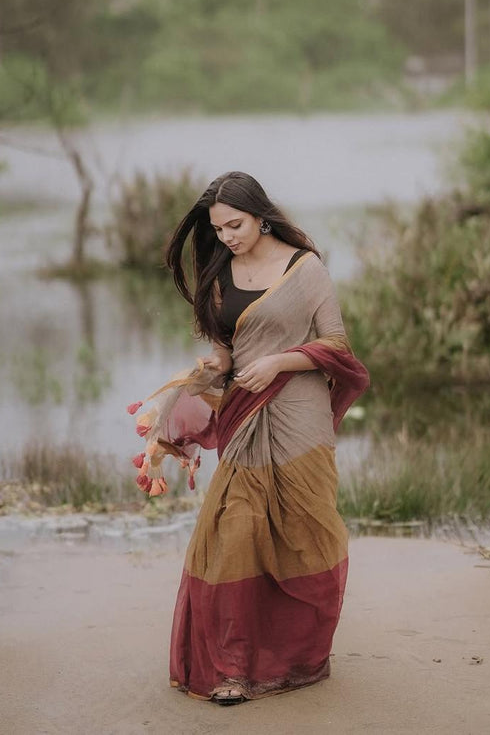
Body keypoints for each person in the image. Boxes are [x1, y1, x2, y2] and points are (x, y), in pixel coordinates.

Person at [128, 171, 369, 705]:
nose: (227, 236)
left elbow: (337, 344)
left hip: (298, 412)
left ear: (260, 215)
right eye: (218, 229)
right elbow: (228, 346)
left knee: (304, 531)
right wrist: (216, 365)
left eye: (235, 225)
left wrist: (280, 362)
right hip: (245, 413)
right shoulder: (221, 271)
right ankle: (232, 669)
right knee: (234, 533)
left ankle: (301, 658)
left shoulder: (305, 268)